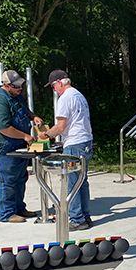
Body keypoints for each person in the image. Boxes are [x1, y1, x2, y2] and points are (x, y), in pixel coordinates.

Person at [0, 69, 43, 223]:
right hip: (2, 146)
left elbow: (25, 111)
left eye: (21, 86)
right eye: (16, 87)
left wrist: (34, 117)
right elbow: (4, 128)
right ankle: (7, 213)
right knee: (6, 178)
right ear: (7, 85)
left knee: (20, 177)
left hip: (17, 144)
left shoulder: (16, 96)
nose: (20, 89)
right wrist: (24, 136)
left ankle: (19, 208)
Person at [39, 70, 94, 231]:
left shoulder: (65, 99)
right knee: (81, 181)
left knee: (72, 182)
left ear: (60, 83)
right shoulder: (78, 95)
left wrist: (46, 135)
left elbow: (61, 126)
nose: (54, 90)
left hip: (74, 143)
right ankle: (85, 215)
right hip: (86, 140)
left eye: (54, 86)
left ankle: (77, 219)